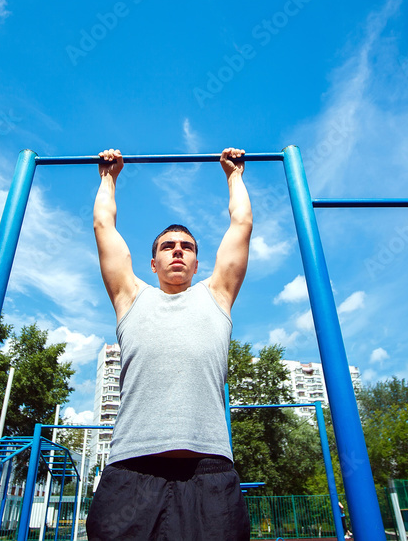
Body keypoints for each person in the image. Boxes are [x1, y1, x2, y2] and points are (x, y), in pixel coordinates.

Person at [86, 147, 254, 541]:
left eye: (187, 247)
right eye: (167, 246)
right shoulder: (130, 297)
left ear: (197, 264)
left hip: (208, 474)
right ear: (153, 264)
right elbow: (103, 226)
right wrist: (108, 178)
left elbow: (242, 223)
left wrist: (234, 176)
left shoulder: (217, 295)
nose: (178, 250)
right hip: (132, 471)